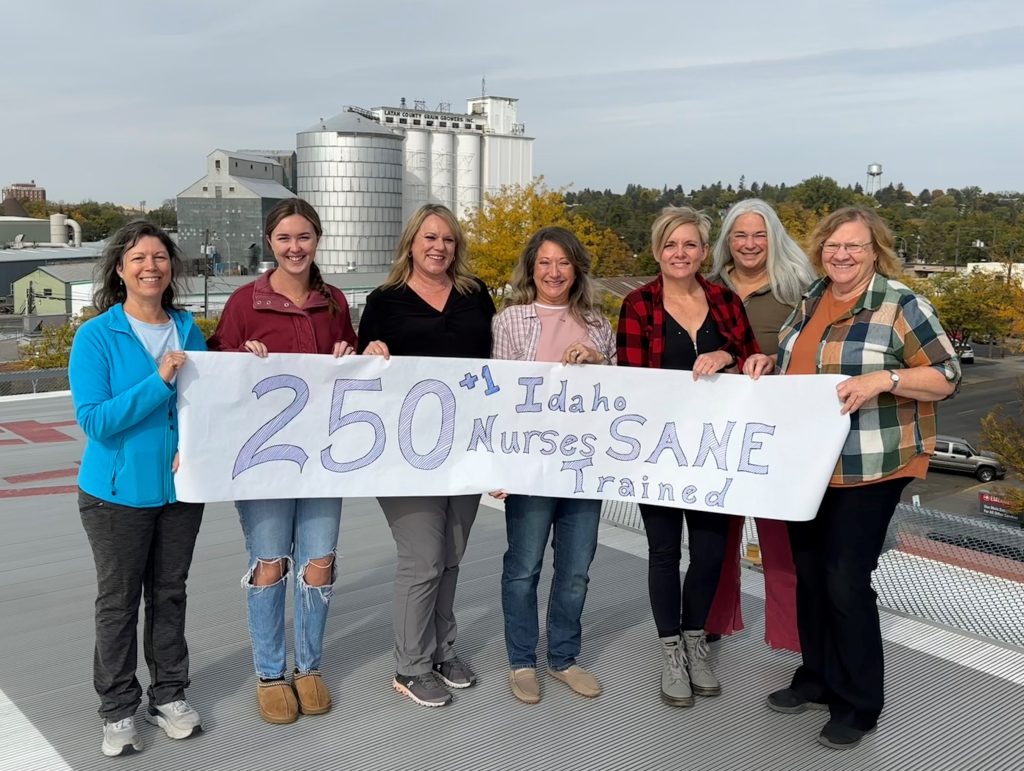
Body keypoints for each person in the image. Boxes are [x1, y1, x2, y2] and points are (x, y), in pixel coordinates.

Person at [744, 206, 960, 750]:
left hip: (871, 465)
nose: (841, 255)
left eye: (854, 247)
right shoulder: (813, 298)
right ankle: (817, 677)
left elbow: (946, 375)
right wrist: (769, 362)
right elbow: (805, 363)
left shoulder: (900, 304)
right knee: (810, 574)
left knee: (845, 578)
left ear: (875, 251)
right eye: (833, 246)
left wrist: (883, 380)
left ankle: (860, 702)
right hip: (809, 463)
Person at [207, 198, 357, 725]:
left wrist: (358, 355)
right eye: (284, 239)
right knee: (270, 563)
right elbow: (218, 379)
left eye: (304, 238)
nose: (295, 248)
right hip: (264, 460)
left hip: (321, 457)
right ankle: (270, 673)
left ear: (317, 240)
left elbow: (357, 377)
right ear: (270, 243)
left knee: (319, 564)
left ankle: (309, 666)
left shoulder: (335, 300)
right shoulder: (245, 302)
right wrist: (237, 359)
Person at [70, 220, 206, 756]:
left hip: (178, 493)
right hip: (115, 497)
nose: (151, 267)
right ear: (120, 271)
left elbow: (207, 404)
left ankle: (169, 693)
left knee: (170, 596)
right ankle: (118, 707)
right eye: (138, 259)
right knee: (120, 602)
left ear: (171, 267)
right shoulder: (96, 336)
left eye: (159, 257)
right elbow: (97, 420)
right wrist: (160, 380)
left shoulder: (188, 328)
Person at [617, 206, 759, 708]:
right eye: (671, 245)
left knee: (711, 553)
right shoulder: (638, 305)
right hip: (657, 452)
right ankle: (670, 650)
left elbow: (753, 362)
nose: (681, 254)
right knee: (662, 552)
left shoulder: (724, 300)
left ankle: (697, 640)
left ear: (704, 251)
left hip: (714, 453)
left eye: (691, 245)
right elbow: (634, 383)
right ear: (658, 251)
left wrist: (728, 357)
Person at [358, 203, 495, 707]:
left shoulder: (474, 295)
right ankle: (410, 666)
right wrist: (367, 353)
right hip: (402, 451)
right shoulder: (384, 300)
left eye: (449, 240)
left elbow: (493, 368)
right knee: (423, 558)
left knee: (452, 557)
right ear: (411, 243)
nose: (439, 247)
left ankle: (442, 651)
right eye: (430, 238)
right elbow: (358, 373)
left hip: (463, 448)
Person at [490, 227, 616, 704]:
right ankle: (522, 660)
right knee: (524, 566)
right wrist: (500, 465)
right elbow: (501, 396)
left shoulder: (597, 323)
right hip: (531, 466)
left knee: (576, 568)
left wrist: (598, 359)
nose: (554, 272)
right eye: (544, 262)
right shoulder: (511, 321)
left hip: (584, 467)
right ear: (532, 268)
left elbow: (620, 396)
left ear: (576, 268)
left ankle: (563, 656)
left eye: (563, 262)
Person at [703, 199, 818, 652]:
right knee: (715, 538)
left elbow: (816, 356)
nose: (749, 244)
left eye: (759, 235)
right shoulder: (705, 287)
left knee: (782, 542)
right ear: (727, 241)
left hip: (778, 436)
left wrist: (777, 362)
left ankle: (794, 639)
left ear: (774, 238)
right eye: (740, 235)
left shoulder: (801, 289)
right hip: (717, 434)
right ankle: (709, 622)